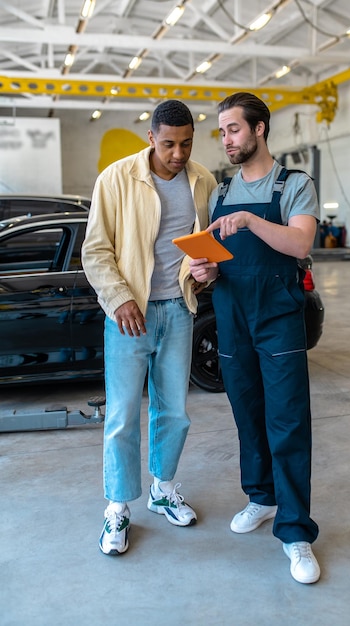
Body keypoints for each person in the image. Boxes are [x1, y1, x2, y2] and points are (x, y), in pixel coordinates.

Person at [189, 92, 321, 584]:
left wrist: (248, 220)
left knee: (286, 420)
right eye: (221, 131)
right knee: (247, 413)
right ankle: (262, 498)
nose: (225, 139)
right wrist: (203, 271)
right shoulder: (219, 194)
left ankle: (295, 531)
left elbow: (300, 242)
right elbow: (216, 264)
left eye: (234, 129)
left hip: (278, 317)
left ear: (260, 129)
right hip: (232, 314)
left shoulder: (293, 184)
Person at [82, 100, 217, 556]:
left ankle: (163, 489)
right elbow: (95, 251)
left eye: (186, 143)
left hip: (179, 310)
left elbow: (207, 249)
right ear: (151, 138)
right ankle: (117, 509)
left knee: (174, 412)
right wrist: (119, 298)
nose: (178, 154)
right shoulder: (116, 179)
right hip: (129, 317)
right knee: (122, 417)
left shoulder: (203, 181)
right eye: (168, 144)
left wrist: (208, 272)